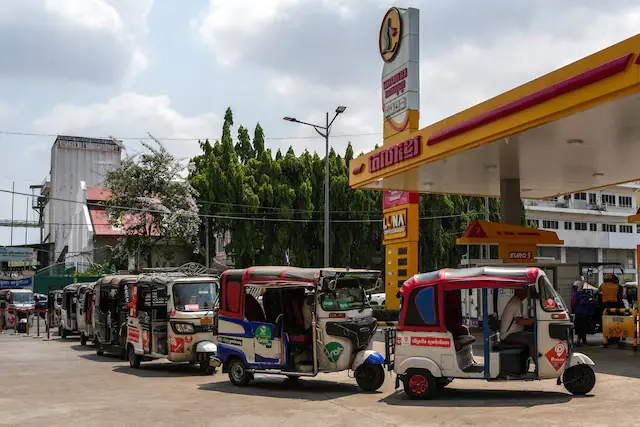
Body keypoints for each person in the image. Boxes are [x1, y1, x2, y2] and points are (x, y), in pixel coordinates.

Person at [500, 288, 535, 360]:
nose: (526, 293)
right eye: (525, 290)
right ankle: (537, 365)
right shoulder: (516, 302)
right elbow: (520, 321)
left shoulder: (516, 300)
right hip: (508, 335)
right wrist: (533, 321)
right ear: (520, 291)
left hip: (514, 332)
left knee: (531, 334)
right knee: (533, 339)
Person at [571, 281, 591, 345]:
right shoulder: (586, 295)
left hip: (578, 313)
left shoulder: (576, 295)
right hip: (586, 313)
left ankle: (579, 340)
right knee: (584, 327)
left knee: (579, 327)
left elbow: (573, 304)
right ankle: (584, 340)